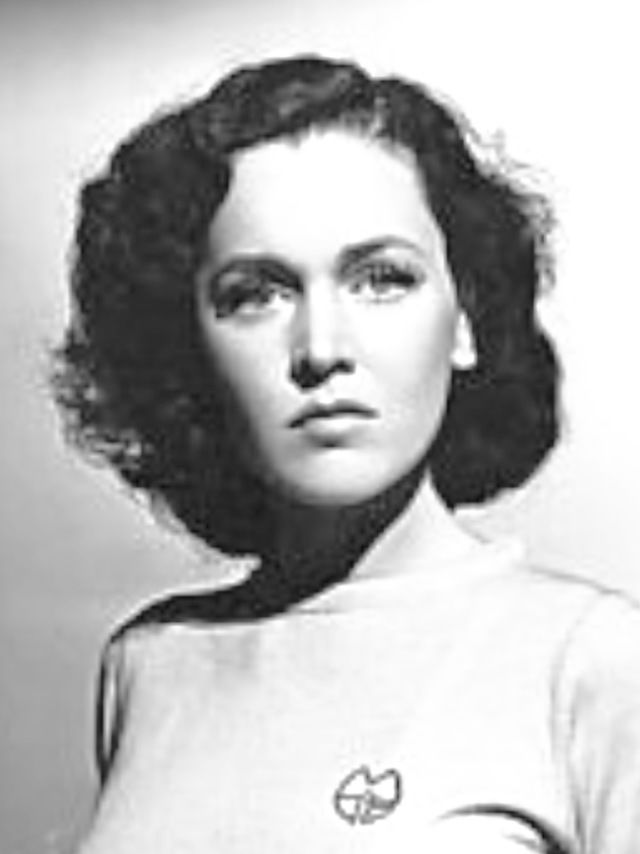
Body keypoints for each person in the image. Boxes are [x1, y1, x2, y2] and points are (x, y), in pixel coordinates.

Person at [54, 54, 640, 853]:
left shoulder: (593, 661)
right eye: (255, 295)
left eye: (382, 279)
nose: (322, 348)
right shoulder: (149, 665)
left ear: (466, 321)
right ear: (190, 346)